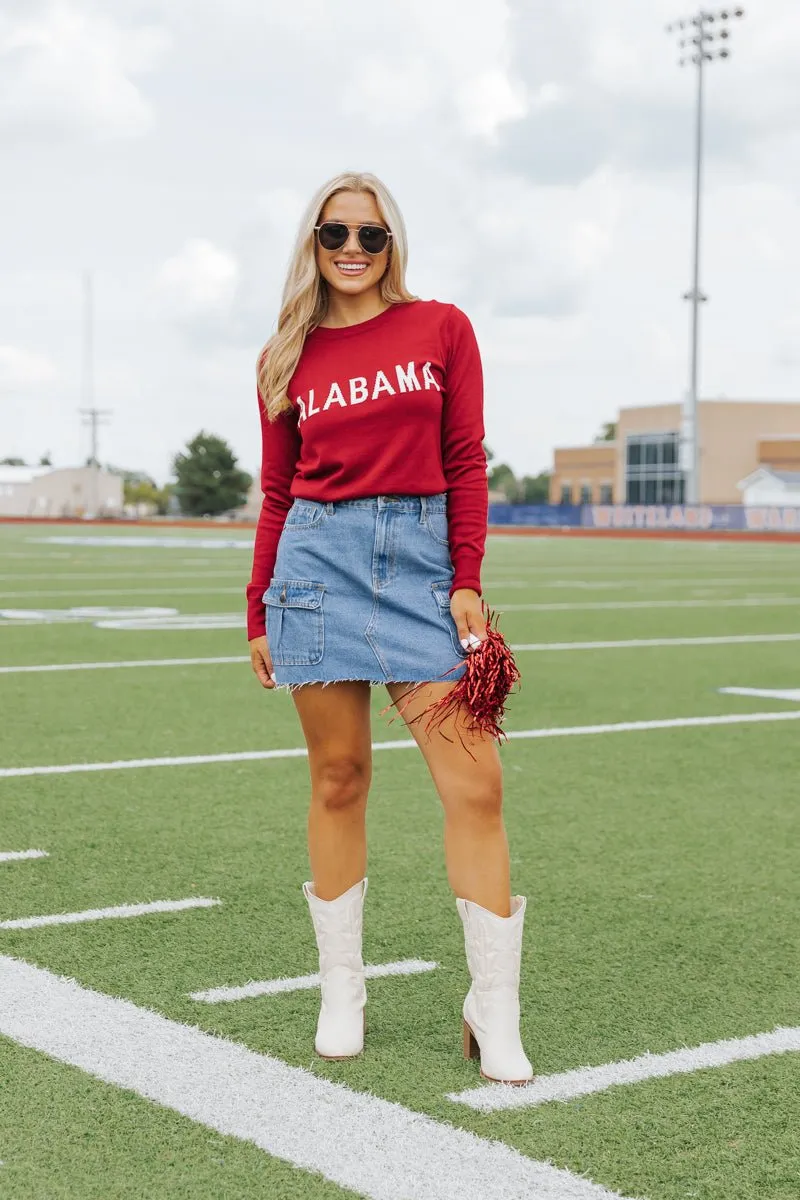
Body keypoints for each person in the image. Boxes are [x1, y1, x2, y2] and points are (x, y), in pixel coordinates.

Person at [246, 171, 532, 1085]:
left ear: (392, 242)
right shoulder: (284, 358)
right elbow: (280, 490)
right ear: (314, 245)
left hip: (420, 568)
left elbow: (463, 460)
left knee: (476, 784)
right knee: (338, 778)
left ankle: (493, 1008)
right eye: (336, 235)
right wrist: (259, 604)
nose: (354, 250)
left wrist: (467, 579)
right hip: (316, 562)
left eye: (371, 235)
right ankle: (343, 988)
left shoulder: (441, 327)